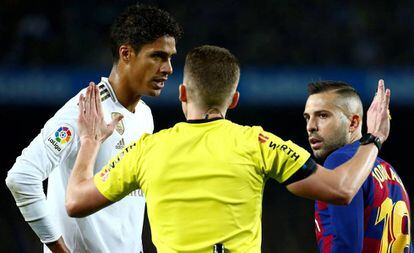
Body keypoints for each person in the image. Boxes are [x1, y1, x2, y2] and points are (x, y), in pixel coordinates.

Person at [65, 45, 390, 253]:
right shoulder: (258, 143)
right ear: (233, 100)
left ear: (182, 93)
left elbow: (76, 200)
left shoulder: (146, 151)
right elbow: (342, 188)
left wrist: (91, 142)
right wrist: (373, 138)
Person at [5, 4, 182, 253]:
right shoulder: (84, 111)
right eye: (158, 56)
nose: (168, 69)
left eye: (170, 58)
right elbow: (21, 177)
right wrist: (58, 249)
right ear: (126, 53)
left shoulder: (144, 116)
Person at [303, 81, 412, 253]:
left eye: (323, 115)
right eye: (307, 117)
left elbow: (347, 246)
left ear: (353, 123)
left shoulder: (339, 161)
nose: (311, 126)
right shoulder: (389, 171)